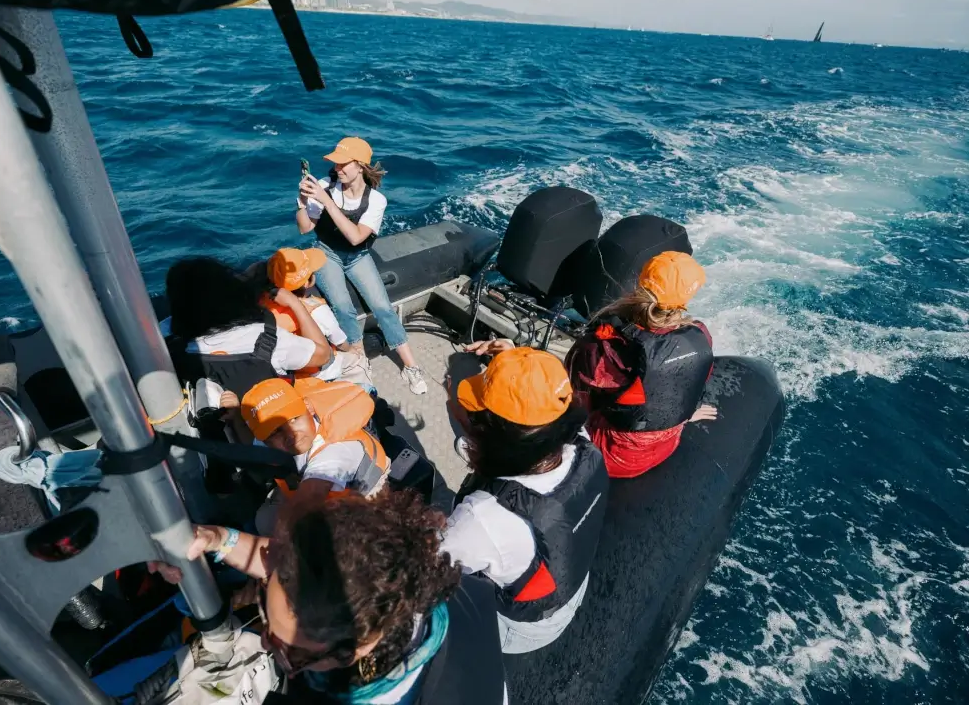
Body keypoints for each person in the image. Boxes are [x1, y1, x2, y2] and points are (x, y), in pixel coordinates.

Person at [153, 492, 508, 705]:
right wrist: (215, 539)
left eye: (288, 649)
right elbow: (283, 561)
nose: (263, 639)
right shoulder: (421, 585)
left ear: (356, 650)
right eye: (263, 599)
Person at [442, 344, 609, 654]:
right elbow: (538, 411)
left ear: (489, 434)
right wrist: (516, 361)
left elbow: (429, 568)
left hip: (520, 630)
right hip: (568, 592)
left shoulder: (481, 518)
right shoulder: (585, 446)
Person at [566, 251, 718, 479]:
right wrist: (685, 416)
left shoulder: (607, 347)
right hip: (666, 444)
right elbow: (684, 385)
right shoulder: (700, 335)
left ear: (642, 282)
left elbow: (576, 398)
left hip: (609, 454)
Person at [295, 137, 428, 395]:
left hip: (357, 256)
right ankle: (359, 359)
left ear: (360, 166)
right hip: (327, 253)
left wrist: (327, 202)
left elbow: (356, 237)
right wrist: (302, 202)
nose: (337, 169)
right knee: (343, 308)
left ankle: (411, 366)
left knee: (382, 307)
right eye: (336, 164)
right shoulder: (325, 186)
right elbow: (305, 228)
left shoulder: (376, 200)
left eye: (343, 164)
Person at [165, 257, 333, 399]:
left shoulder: (170, 345)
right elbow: (323, 355)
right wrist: (295, 303)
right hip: (270, 411)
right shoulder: (264, 338)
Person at [222, 378, 390, 508]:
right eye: (275, 432)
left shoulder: (334, 451)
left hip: (368, 501)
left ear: (308, 408)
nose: (291, 434)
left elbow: (306, 502)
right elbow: (253, 443)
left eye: (294, 419)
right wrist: (237, 416)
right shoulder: (278, 441)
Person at [261, 247, 375, 393]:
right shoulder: (317, 309)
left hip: (297, 373)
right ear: (307, 283)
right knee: (360, 361)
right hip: (324, 369)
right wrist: (353, 350)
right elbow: (340, 342)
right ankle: (368, 395)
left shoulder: (267, 306)